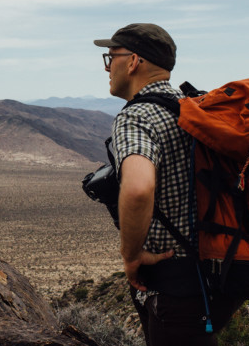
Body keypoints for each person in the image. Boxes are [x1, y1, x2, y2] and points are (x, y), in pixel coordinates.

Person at [94, 23, 241, 346]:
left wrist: (131, 255)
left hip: (176, 284)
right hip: (216, 273)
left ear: (133, 61)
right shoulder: (193, 107)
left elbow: (138, 188)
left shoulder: (137, 117)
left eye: (111, 57)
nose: (107, 67)